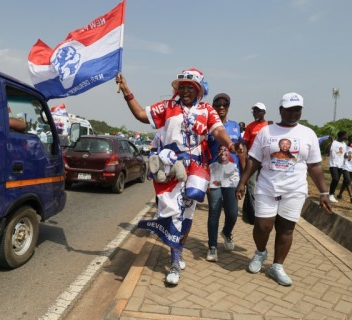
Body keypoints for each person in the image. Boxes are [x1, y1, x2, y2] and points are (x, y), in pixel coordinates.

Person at [116, 68, 240, 286]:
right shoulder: (168, 107)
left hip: (197, 167)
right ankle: (175, 261)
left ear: (198, 90)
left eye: (189, 87)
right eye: (181, 87)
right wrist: (127, 92)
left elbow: (218, 131)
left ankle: (178, 253)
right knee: (173, 212)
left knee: (188, 211)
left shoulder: (207, 110)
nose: (185, 90)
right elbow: (141, 115)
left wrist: (229, 144)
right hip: (172, 166)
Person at [235, 92, 332, 286]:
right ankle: (260, 252)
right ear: (281, 110)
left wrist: (323, 192)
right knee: (262, 226)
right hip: (267, 186)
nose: (293, 113)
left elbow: (314, 165)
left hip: (294, 189)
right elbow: (254, 159)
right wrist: (243, 181)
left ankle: (277, 266)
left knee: (286, 228)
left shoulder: (308, 134)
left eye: (297, 110)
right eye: (289, 109)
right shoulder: (266, 132)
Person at [206, 93, 245, 261]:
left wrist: (244, 178)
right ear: (213, 106)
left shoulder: (236, 126)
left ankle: (226, 233)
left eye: (225, 104)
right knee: (214, 210)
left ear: (228, 106)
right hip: (213, 175)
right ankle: (212, 246)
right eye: (218, 104)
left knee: (233, 213)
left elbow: (242, 151)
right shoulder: (207, 127)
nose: (221, 107)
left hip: (232, 176)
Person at [242, 102, 271, 224]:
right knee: (251, 184)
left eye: (258, 111)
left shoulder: (269, 126)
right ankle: (252, 211)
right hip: (253, 160)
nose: (256, 113)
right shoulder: (249, 127)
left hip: (266, 161)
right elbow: (245, 144)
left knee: (264, 184)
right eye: (254, 111)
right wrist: (244, 157)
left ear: (264, 112)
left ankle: (263, 208)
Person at [328, 131, 348, 203]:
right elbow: (328, 151)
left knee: (336, 180)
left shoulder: (344, 144)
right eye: (346, 135)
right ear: (342, 136)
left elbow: (343, 154)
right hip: (333, 164)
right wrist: (331, 142)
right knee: (335, 179)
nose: (347, 136)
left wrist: (346, 156)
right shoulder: (334, 143)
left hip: (341, 165)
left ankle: (331, 194)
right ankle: (331, 195)